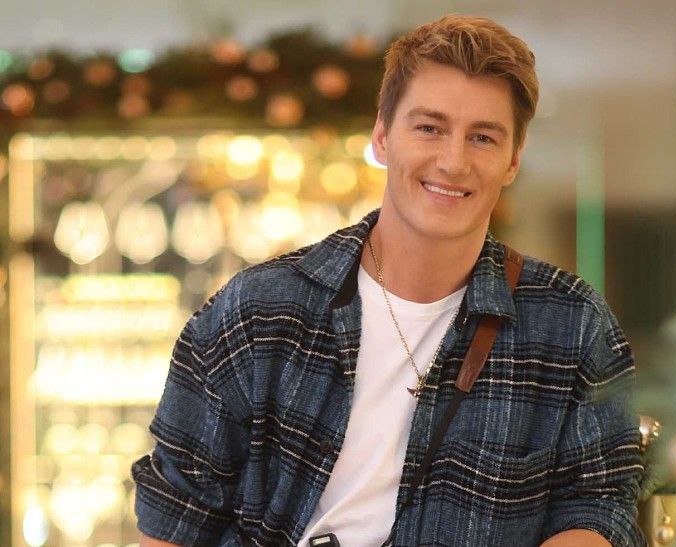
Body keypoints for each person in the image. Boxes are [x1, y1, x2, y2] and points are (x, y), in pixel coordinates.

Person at [133, 14, 645, 547]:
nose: (453, 161)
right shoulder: (257, 312)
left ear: (513, 160)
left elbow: (599, 507)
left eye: (483, 138)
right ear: (382, 137)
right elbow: (174, 519)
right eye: (429, 128)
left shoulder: (572, 325)